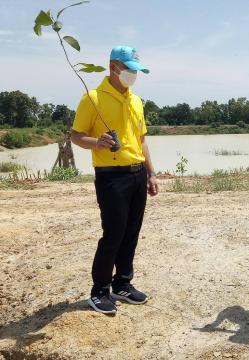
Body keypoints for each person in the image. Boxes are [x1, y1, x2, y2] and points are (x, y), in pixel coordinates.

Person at [71, 46, 159, 315]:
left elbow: (141, 139)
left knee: (131, 232)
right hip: (111, 177)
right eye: (129, 69)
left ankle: (123, 284)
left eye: (136, 70)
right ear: (113, 66)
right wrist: (96, 142)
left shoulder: (136, 101)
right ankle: (99, 291)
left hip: (137, 173)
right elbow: (75, 135)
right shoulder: (93, 98)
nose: (133, 74)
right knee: (114, 233)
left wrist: (151, 172)